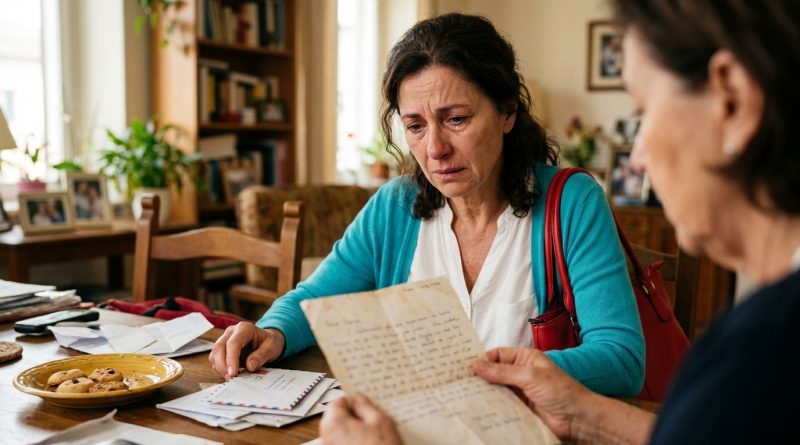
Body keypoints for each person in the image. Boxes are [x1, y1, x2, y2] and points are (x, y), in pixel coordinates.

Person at [321, 1, 800, 443]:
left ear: (732, 100)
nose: (636, 156)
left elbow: (626, 362)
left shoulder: (755, 360)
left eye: (645, 110)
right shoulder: (751, 352)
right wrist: (586, 416)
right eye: (415, 126)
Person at [210, 13, 645, 397]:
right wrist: (271, 330)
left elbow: (621, 359)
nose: (435, 149)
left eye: (456, 119)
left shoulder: (572, 203)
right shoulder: (394, 206)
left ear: (508, 112)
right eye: (415, 126)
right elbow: (313, 300)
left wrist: (490, 374)